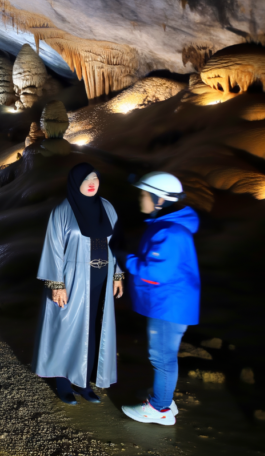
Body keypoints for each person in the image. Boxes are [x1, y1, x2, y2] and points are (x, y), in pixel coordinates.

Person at [33, 163, 124, 405]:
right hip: (72, 280)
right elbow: (53, 248)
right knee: (66, 328)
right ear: (75, 182)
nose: (91, 183)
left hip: (101, 280)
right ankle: (63, 383)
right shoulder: (63, 211)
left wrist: (117, 274)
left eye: (95, 178)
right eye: (86, 179)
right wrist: (57, 284)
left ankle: (83, 383)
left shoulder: (107, 208)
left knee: (93, 329)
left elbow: (117, 243)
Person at [121, 172, 199, 426]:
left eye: (144, 194)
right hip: (168, 303)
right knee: (163, 356)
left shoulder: (170, 231)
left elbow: (156, 273)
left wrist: (125, 258)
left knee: (162, 358)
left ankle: (160, 408)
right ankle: (163, 397)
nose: (140, 198)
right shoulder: (166, 226)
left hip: (168, 306)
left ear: (160, 199)